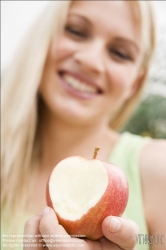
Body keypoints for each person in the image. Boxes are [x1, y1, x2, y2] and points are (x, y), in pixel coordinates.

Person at [1, 1, 166, 250]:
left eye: (120, 53)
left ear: (134, 83)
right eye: (76, 31)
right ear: (43, 38)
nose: (91, 61)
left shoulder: (158, 170)